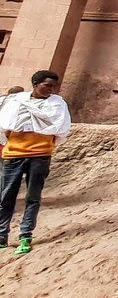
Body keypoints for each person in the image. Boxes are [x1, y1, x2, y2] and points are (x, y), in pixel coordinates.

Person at [0, 70, 71, 254]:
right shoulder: (16, 102)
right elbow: (6, 125)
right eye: (47, 85)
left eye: (53, 86)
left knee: (33, 197)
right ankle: (1, 235)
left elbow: (60, 128)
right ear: (36, 83)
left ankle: (25, 235)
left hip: (40, 155)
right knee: (6, 197)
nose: (51, 89)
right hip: (13, 154)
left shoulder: (57, 104)